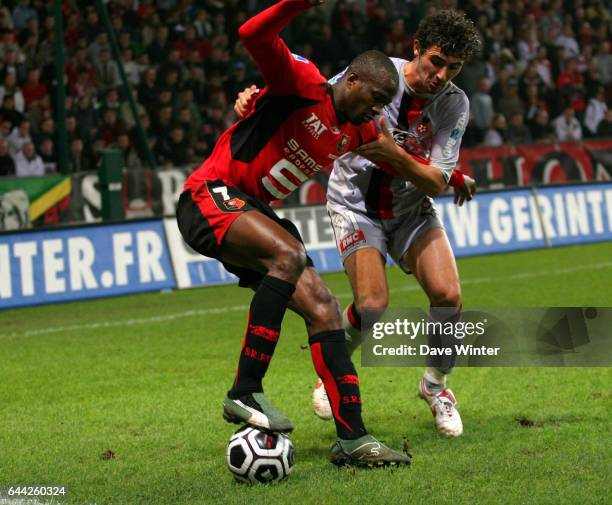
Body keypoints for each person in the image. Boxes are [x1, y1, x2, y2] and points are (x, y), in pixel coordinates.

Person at [176, 0, 410, 467]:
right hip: (209, 196)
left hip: (250, 214)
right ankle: (245, 391)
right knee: (289, 253)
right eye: (375, 98)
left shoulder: (358, 130)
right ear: (352, 80)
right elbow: (253, 36)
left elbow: (399, 158)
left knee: (324, 307)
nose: (378, 109)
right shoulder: (303, 84)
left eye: (385, 104)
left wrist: (448, 176)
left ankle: (353, 439)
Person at [234, 9, 480, 438]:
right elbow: (310, 100)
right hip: (354, 205)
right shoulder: (375, 75)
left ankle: (436, 387)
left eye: (453, 69)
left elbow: (435, 182)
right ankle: (331, 377)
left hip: (410, 210)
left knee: (448, 295)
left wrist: (387, 151)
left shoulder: (455, 103)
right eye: (436, 62)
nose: (441, 75)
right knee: (371, 307)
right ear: (417, 48)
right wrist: (254, 104)